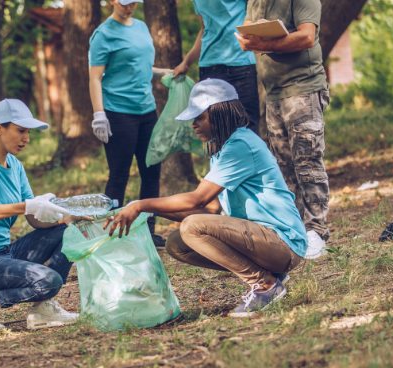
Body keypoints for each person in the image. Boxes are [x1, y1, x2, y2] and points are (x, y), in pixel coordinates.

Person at [105, 79, 307, 317]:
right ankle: (269, 276)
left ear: (219, 112)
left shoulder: (240, 144)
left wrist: (140, 204)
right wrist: (152, 210)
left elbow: (197, 200)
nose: (193, 125)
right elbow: (211, 209)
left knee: (191, 227)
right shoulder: (222, 149)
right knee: (178, 244)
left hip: (283, 243)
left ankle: (265, 285)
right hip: (264, 242)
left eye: (199, 117)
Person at [0, 99, 82, 334]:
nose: (27, 138)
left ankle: (43, 310)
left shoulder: (14, 165)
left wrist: (66, 216)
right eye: (21, 131)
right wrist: (27, 205)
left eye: (28, 132)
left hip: (5, 252)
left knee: (69, 233)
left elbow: (34, 218)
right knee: (49, 281)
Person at [236, 0, 330, 259]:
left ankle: (317, 231)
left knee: (307, 161)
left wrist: (263, 44)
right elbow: (248, 35)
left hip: (303, 88)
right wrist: (248, 41)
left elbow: (306, 37)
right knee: (283, 165)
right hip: (273, 92)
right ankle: (296, 228)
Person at [88, 0, 167, 247]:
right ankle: (111, 234)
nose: (129, 6)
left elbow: (139, 64)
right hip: (118, 112)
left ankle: (148, 231)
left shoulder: (141, 27)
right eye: (125, 2)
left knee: (152, 172)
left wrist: (165, 72)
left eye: (133, 2)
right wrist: (99, 113)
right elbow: (94, 77)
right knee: (119, 174)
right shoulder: (103, 34)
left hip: (146, 110)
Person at [172, 0, 259, 133]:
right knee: (215, 130)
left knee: (245, 127)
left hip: (240, 64)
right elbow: (205, 28)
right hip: (211, 66)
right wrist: (186, 62)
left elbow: (255, 14)